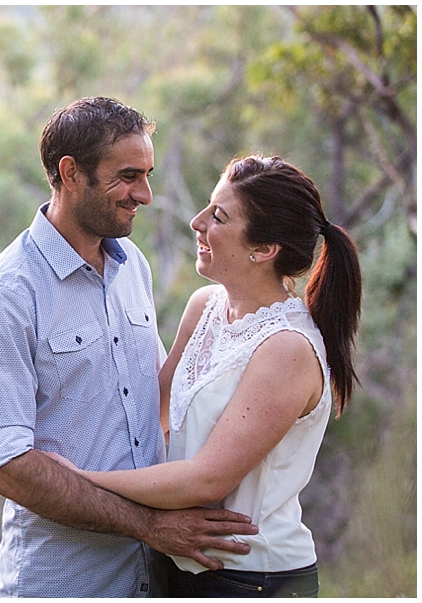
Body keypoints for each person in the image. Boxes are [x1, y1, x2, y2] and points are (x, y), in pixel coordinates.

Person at [0, 97, 258, 598]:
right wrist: (148, 526)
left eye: (149, 174)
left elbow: (153, 405)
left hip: (160, 577)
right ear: (70, 173)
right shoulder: (4, 296)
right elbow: (7, 467)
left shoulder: (132, 264)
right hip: (66, 584)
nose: (146, 194)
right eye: (128, 176)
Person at [45, 155, 363, 597]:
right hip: (176, 562)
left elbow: (208, 478)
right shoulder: (205, 307)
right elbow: (149, 416)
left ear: (264, 249)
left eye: (218, 216)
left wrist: (77, 482)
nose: (197, 223)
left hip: (251, 577)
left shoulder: (287, 348)